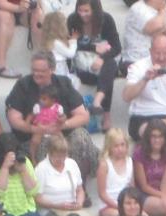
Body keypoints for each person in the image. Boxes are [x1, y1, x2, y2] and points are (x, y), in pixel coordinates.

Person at [6, 51, 99, 181]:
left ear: (52, 69)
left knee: (81, 137)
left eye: (41, 71)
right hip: (32, 135)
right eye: (34, 70)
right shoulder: (23, 85)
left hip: (61, 131)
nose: (36, 74)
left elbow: (83, 116)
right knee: (48, 143)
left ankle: (78, 185)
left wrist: (62, 125)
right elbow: (14, 119)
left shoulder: (63, 83)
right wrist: (34, 129)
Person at [68, 0, 122, 128]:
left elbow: (117, 47)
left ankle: (99, 105)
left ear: (95, 10)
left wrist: (102, 58)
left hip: (102, 65)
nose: (82, 14)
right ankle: (104, 113)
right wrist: (93, 48)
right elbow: (69, 44)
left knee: (109, 66)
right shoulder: (72, 20)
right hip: (82, 66)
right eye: (80, 11)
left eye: (86, 11)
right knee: (109, 72)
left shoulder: (106, 20)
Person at [34, 133, 86, 216]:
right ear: (50, 153)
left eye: (63, 156)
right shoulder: (41, 169)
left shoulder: (71, 164)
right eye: (57, 156)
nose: (61, 160)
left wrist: (80, 202)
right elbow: (37, 198)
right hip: (50, 210)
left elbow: (80, 189)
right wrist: (57, 205)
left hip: (70, 208)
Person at [0, 0, 40, 79]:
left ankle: (44, 61)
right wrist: (19, 8)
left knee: (38, 14)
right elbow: (1, 3)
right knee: (6, 17)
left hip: (19, 8)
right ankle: (0, 67)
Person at [122, 0, 166, 67]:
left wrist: (164, 29)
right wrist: (163, 12)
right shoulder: (137, 9)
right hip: (140, 60)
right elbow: (157, 26)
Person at [97, 128, 134, 216]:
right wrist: (118, 206)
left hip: (126, 202)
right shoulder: (104, 165)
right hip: (108, 205)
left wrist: (130, 204)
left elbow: (132, 188)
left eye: (122, 145)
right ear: (109, 147)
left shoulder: (130, 161)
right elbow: (102, 194)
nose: (120, 149)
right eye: (116, 146)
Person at [28, 85, 67, 162]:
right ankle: (32, 157)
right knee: (34, 141)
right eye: (40, 98)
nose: (41, 101)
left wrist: (61, 119)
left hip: (53, 128)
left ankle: (66, 154)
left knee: (62, 138)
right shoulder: (38, 107)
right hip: (41, 127)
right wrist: (30, 123)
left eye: (44, 99)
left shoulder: (58, 107)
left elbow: (63, 116)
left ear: (53, 100)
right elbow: (31, 116)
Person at [41, 12, 78, 89]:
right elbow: (70, 54)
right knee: (75, 81)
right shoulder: (56, 42)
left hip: (58, 71)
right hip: (59, 72)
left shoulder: (50, 41)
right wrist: (74, 41)